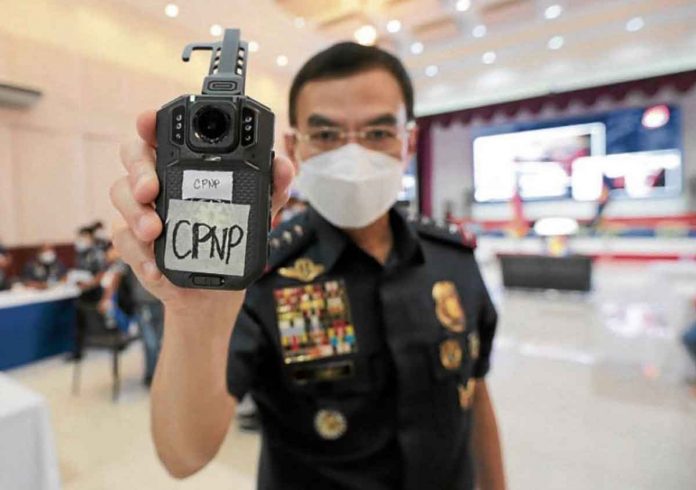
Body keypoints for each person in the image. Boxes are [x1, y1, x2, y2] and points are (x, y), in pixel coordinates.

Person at [111, 42, 505, 489]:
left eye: (377, 133)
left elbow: (474, 394)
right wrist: (193, 313)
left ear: (409, 142)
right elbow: (183, 456)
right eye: (327, 134)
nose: (353, 155)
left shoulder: (452, 259)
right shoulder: (257, 272)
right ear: (294, 147)